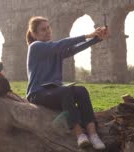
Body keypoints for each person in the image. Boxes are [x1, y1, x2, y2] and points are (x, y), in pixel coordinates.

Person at [25, 16, 108, 150]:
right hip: (37, 94)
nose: (48, 31)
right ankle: (79, 134)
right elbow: (61, 44)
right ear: (34, 34)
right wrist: (88, 35)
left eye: (48, 28)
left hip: (54, 91)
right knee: (65, 91)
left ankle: (93, 134)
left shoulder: (54, 49)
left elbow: (73, 49)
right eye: (43, 29)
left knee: (81, 90)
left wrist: (96, 39)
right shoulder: (36, 46)